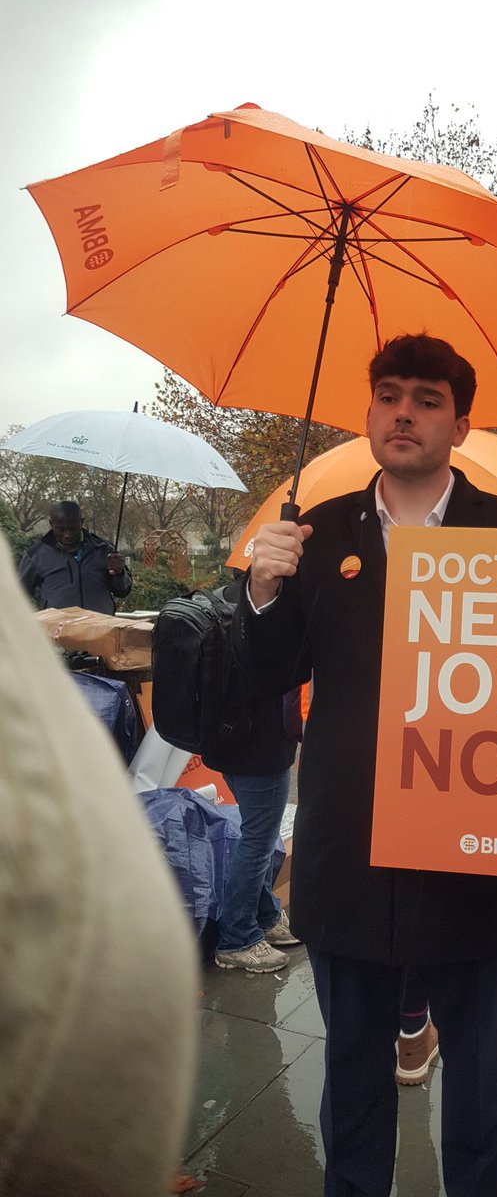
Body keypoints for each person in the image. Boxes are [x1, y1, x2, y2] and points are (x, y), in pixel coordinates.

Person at [234, 334, 497, 1197]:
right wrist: (261, 592)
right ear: (369, 411)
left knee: (479, 1068)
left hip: (473, 857)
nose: (402, 412)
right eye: (387, 394)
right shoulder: (317, 531)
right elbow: (271, 679)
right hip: (349, 846)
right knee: (352, 1071)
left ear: (459, 422)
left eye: (425, 398)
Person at [0, 535, 197, 1197]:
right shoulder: (33, 557)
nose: (64, 528)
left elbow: (119, 594)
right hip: (54, 661)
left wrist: (115, 575)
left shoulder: (102, 550)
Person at [203, 579, 301, 974]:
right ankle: (237, 937)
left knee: (255, 832)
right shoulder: (269, 615)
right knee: (258, 840)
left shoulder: (228, 602)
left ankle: (264, 913)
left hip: (229, 742)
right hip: (260, 747)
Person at [18, 500, 132, 614]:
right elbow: (18, 595)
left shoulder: (104, 550)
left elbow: (123, 591)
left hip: (101, 628)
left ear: (81, 522)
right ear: (51, 524)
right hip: (58, 630)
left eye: (72, 528)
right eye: (61, 529)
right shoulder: (35, 555)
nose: (67, 535)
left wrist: (120, 573)